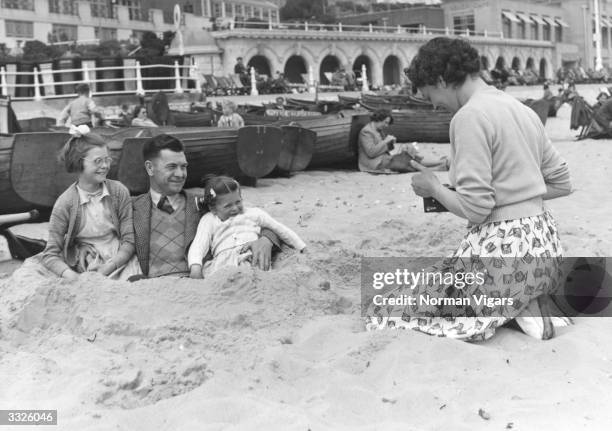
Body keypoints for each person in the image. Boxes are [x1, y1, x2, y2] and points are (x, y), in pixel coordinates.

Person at [366, 37, 572, 341]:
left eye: (430, 94)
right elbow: (561, 183)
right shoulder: (520, 108)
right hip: (543, 247)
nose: (435, 105)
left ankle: (515, 311)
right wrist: (515, 196)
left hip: (503, 254)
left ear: (440, 79)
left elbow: (477, 210)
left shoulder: (469, 116)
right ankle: (525, 301)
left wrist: (434, 187)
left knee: (383, 310)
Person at [132, 135, 280, 278]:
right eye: (172, 167)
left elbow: (255, 218)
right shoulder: (132, 208)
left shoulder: (205, 203)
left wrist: (266, 240)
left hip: (201, 282)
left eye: (183, 167)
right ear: (150, 168)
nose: (180, 174)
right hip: (154, 288)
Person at [37, 125, 140, 280]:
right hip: (85, 259)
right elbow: (50, 254)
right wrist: (71, 276)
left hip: (120, 257)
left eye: (107, 160)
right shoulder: (65, 203)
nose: (105, 166)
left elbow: (129, 240)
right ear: (79, 163)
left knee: (132, 282)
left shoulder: (119, 191)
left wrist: (110, 266)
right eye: (98, 161)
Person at [187, 175, 306, 279]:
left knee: (255, 274)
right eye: (228, 206)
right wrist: (195, 268)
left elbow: (279, 228)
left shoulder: (254, 213)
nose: (235, 208)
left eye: (238, 202)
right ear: (213, 208)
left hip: (251, 255)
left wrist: (301, 246)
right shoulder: (209, 219)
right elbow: (199, 244)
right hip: (223, 262)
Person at [358, 109, 449, 173]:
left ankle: (440, 162)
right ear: (378, 119)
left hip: (384, 159)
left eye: (387, 123)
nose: (386, 125)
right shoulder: (366, 132)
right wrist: (385, 141)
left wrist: (391, 144)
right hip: (374, 163)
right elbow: (371, 153)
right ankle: (436, 168)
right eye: (385, 122)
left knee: (408, 155)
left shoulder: (378, 130)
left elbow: (385, 149)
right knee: (404, 162)